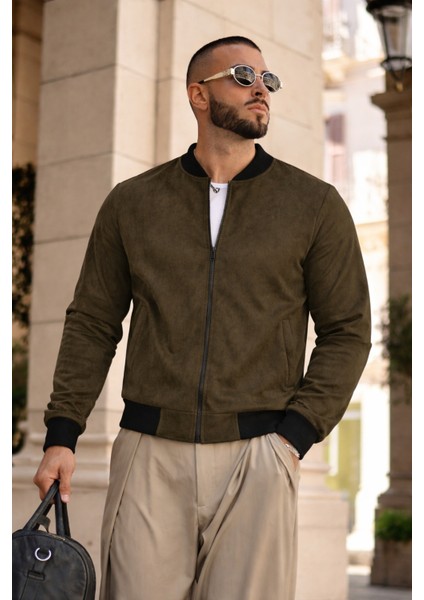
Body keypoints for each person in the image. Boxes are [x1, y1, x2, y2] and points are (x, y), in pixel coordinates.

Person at [33, 35, 371, 600]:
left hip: (260, 453)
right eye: (242, 76)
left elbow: (349, 330)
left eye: (267, 79)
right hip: (149, 452)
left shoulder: (313, 205)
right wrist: (62, 434)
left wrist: (294, 436)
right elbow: (92, 320)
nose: (261, 89)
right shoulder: (133, 203)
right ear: (198, 94)